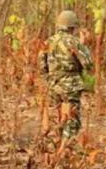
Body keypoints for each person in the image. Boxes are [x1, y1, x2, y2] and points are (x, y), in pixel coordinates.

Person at [38, 10, 94, 141]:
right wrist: (83, 46)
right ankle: (67, 147)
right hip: (71, 86)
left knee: (58, 116)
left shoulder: (48, 42)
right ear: (72, 27)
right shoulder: (75, 42)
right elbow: (88, 65)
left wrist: (49, 80)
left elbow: (41, 65)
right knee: (72, 119)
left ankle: (56, 144)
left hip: (53, 85)